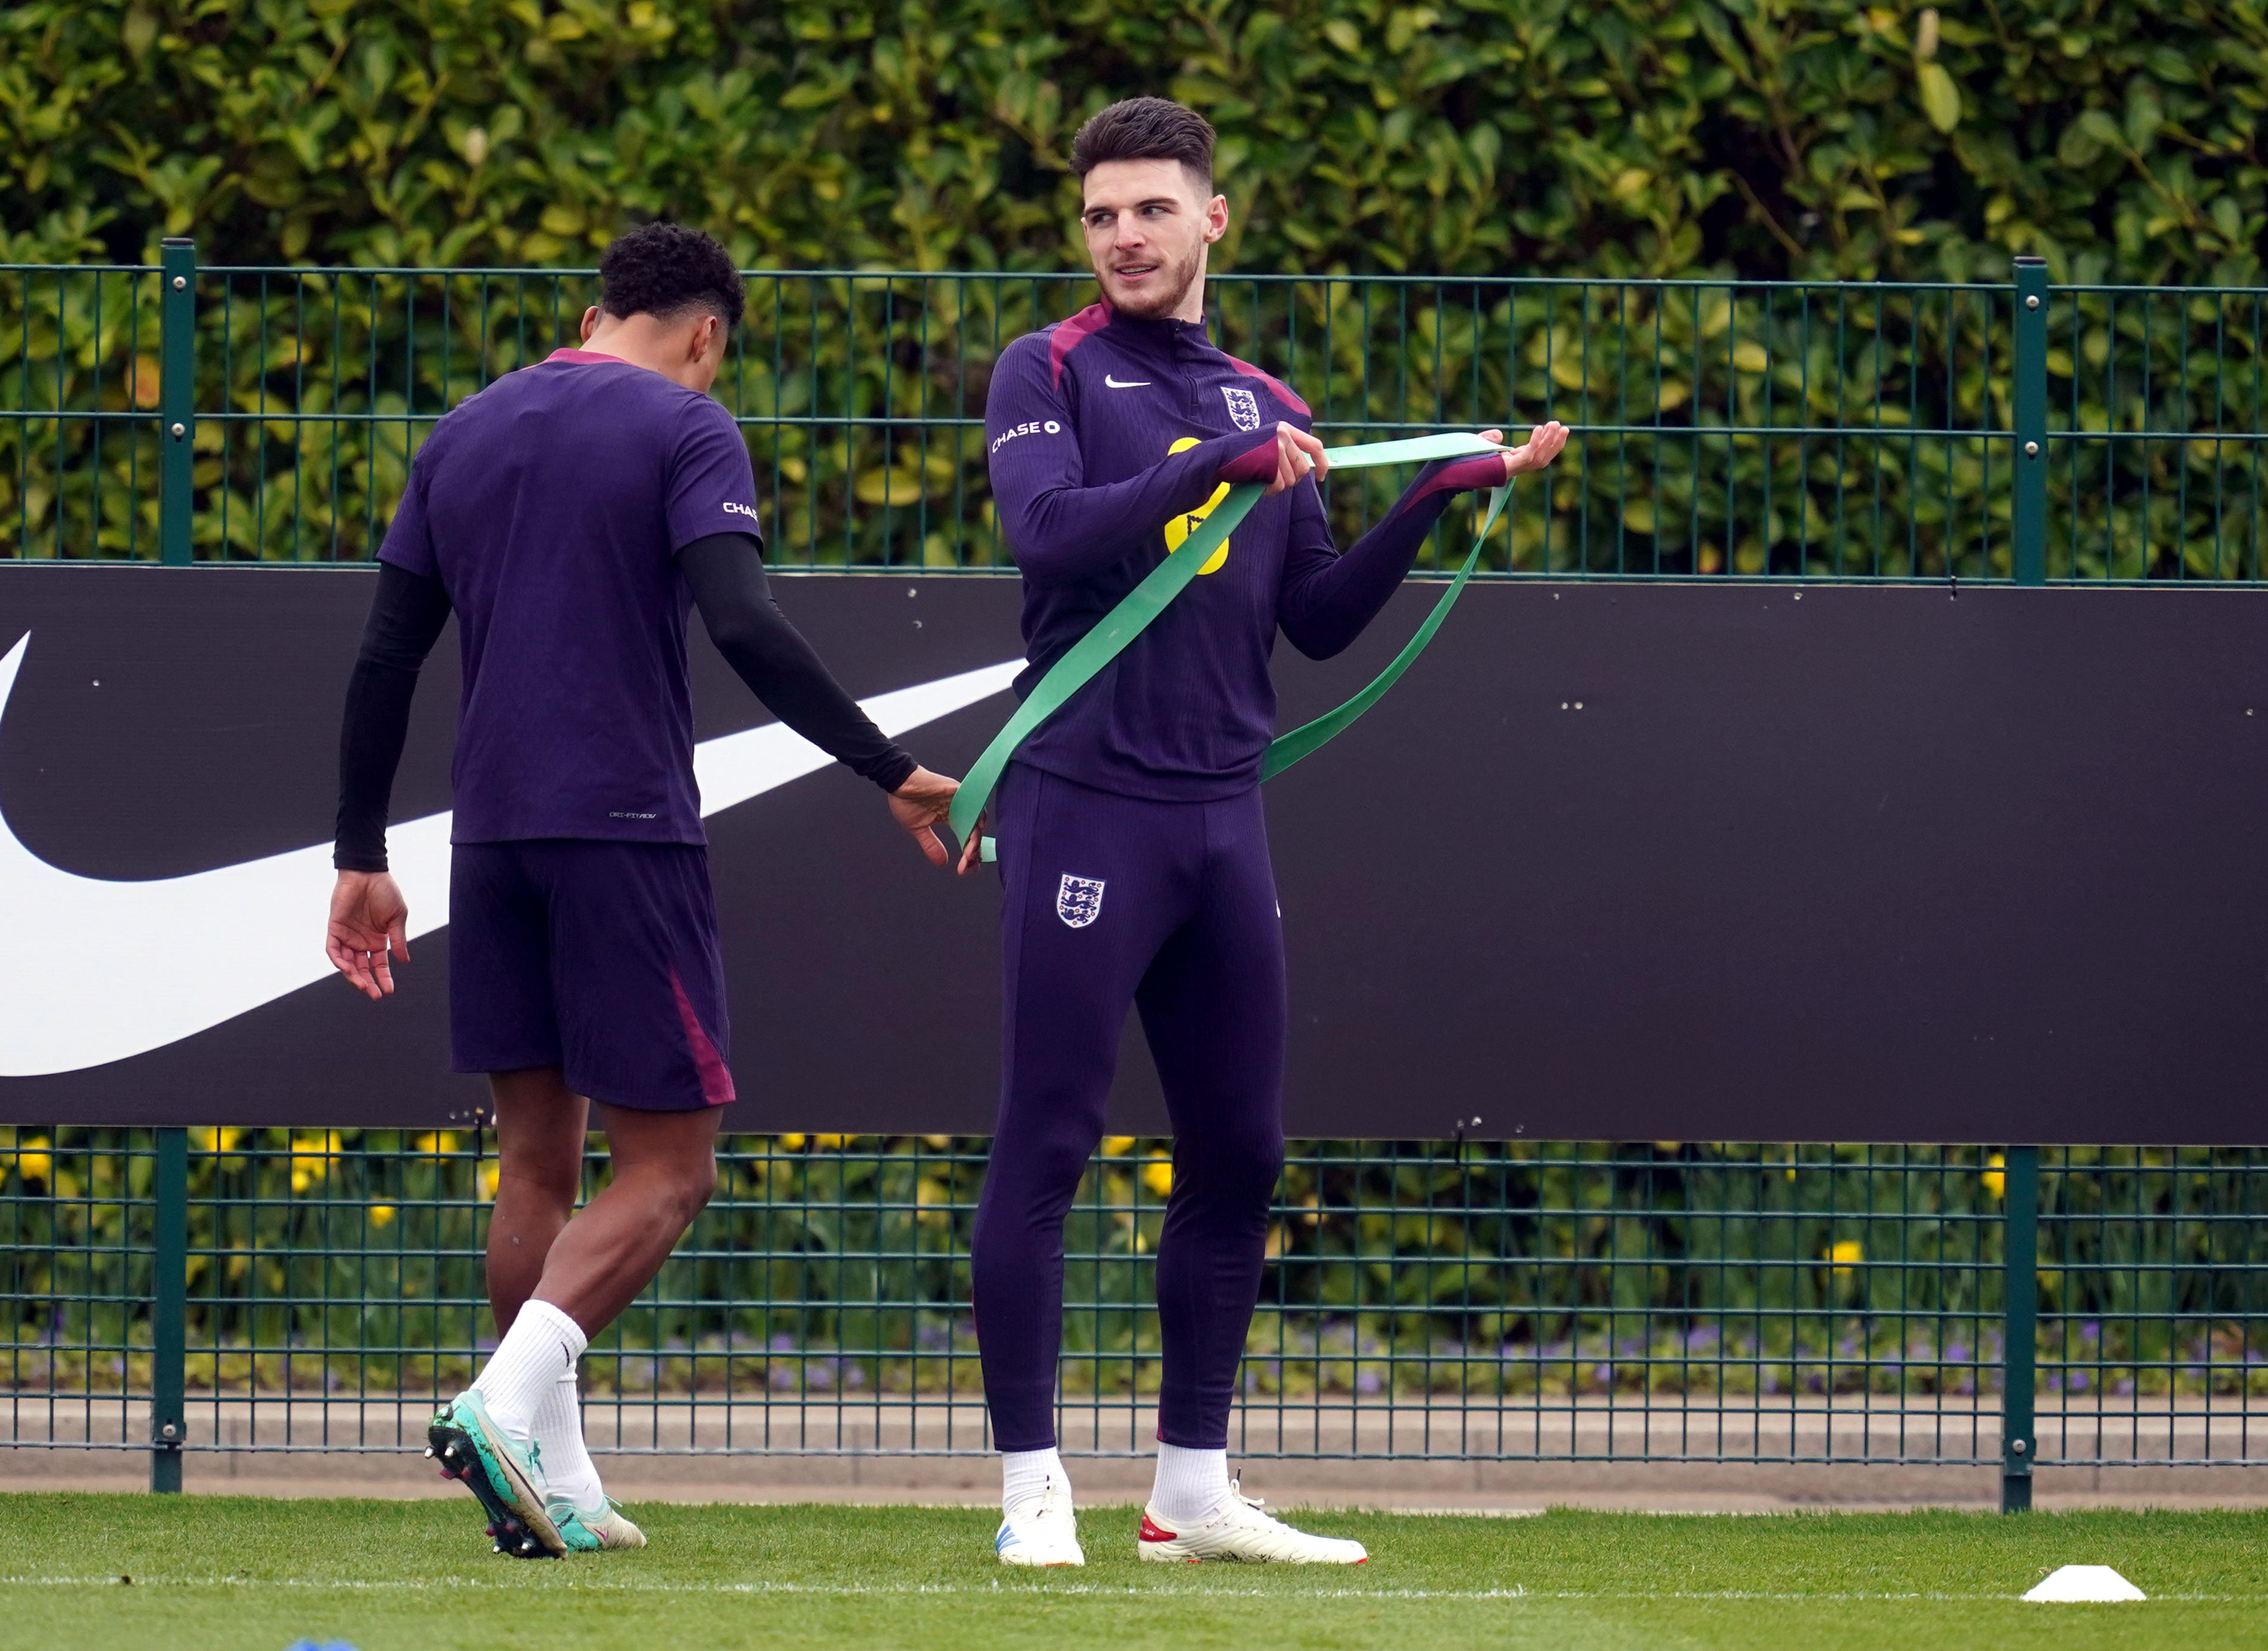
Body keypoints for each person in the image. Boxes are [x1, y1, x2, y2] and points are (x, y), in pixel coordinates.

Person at [961, 97, 1568, 1567]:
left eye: (1152, 209)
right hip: (1085, 799)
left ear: (1212, 218)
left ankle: (1190, 1490)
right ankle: (1032, 1488)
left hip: (1220, 818)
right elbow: (1048, 530)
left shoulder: (1265, 399)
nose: (1124, 236)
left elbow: (1315, 620)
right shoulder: (1047, 367)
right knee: (1048, 1139)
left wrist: (1434, 495)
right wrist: (1205, 473)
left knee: (1240, 1151)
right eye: (1102, 214)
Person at [324, 222, 961, 1556]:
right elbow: (743, 621)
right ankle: (500, 1406)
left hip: (490, 841)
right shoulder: (688, 427)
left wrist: (360, 856)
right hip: (624, 833)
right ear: (707, 335)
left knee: (535, 1165)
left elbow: (384, 659)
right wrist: (889, 770)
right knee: (671, 1171)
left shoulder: (464, 432)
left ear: (593, 312)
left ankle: (553, 1480)